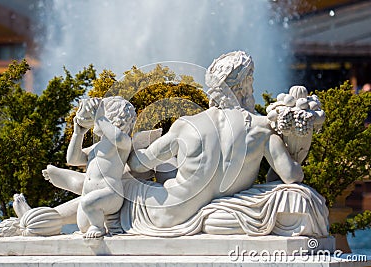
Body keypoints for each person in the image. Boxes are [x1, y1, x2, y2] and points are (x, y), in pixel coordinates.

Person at [124, 51, 304, 232]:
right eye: (251, 79)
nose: (253, 86)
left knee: (151, 172)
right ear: (244, 84)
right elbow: (291, 176)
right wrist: (298, 147)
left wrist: (135, 146)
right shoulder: (262, 128)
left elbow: (138, 165)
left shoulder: (186, 125)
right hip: (226, 211)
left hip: (170, 213)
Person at [43, 96, 136, 238]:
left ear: (111, 117)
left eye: (101, 114)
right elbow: (72, 159)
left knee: (88, 203)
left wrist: (98, 117)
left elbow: (116, 137)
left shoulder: (123, 142)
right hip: (89, 195)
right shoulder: (96, 147)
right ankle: (98, 224)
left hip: (110, 193)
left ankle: (100, 227)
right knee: (83, 226)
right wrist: (77, 134)